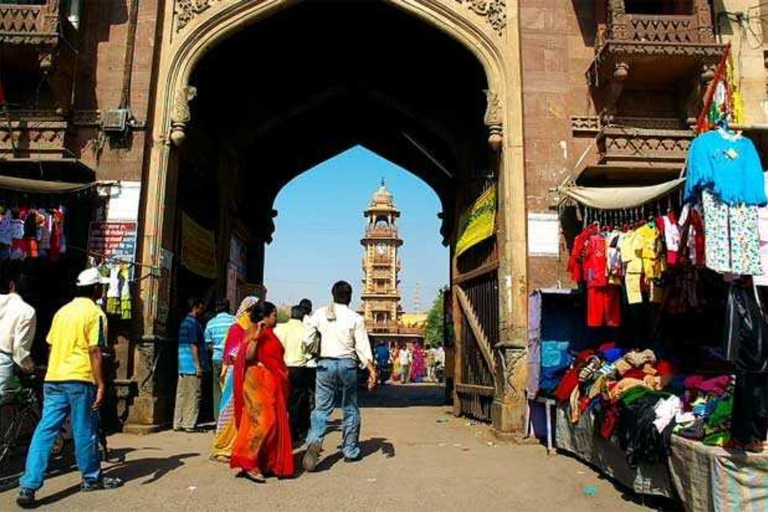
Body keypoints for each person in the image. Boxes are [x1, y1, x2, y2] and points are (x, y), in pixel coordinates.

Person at [17, 268, 122, 508]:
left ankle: (28, 485)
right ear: (96, 289)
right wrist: (102, 383)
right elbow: (95, 351)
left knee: (46, 429)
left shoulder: (62, 312)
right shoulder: (95, 314)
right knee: (84, 429)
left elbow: (52, 347)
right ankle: (91, 478)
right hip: (80, 378)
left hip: (54, 378)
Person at [302, 281, 377, 472]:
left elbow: (307, 338)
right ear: (350, 297)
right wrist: (371, 370)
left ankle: (314, 440)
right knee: (350, 407)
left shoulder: (319, 313)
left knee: (321, 408)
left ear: (332, 294)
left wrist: (311, 352)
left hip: (325, 365)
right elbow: (362, 346)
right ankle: (350, 449)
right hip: (347, 365)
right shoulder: (355, 318)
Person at [230, 301, 294, 481]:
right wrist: (257, 336)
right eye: (274, 315)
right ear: (264, 317)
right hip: (256, 383)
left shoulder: (272, 334)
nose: (276, 318)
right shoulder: (253, 331)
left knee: (266, 422)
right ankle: (248, 461)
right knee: (265, 420)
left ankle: (264, 461)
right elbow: (249, 356)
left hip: (270, 383)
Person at [210, 296, 259, 462]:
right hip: (234, 374)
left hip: (250, 374)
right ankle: (223, 448)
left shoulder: (254, 328)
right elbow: (231, 353)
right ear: (247, 311)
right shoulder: (236, 328)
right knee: (230, 411)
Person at [274, 305, 313, 443]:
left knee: (281, 399)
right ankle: (294, 431)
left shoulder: (279, 328)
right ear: (303, 316)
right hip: (299, 368)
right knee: (297, 401)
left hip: (281, 367)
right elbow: (310, 350)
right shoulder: (306, 330)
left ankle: (280, 429)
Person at [0, 260, 36, 394]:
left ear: (11, 285)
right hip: (3, 362)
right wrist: (29, 367)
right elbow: (20, 349)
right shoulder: (27, 311)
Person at [173, 297, 208, 432]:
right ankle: (189, 423)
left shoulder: (184, 322)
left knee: (181, 394)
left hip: (182, 364)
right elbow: (194, 345)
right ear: (196, 307)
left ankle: (178, 422)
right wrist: (198, 365)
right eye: (201, 308)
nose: (203, 311)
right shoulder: (194, 324)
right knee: (193, 394)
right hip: (191, 364)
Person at [204, 298, 236, 420]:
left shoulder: (211, 323)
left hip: (217, 359)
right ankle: (229, 420)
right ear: (228, 307)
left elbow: (208, 343)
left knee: (217, 389)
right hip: (231, 360)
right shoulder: (234, 321)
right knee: (230, 389)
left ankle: (218, 419)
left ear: (216, 308)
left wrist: (217, 350)